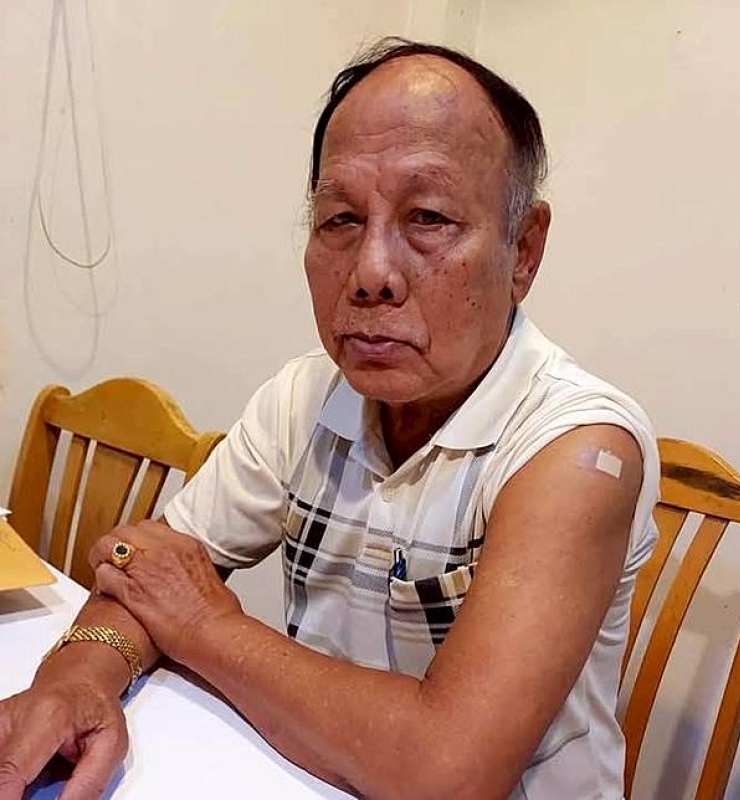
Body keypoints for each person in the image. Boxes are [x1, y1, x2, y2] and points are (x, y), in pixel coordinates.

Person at [0, 39, 659, 800]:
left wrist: (204, 625)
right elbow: (146, 579)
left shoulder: (576, 449)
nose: (371, 273)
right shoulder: (305, 395)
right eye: (340, 219)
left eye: (429, 217)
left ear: (524, 251)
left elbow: (446, 771)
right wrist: (77, 680)